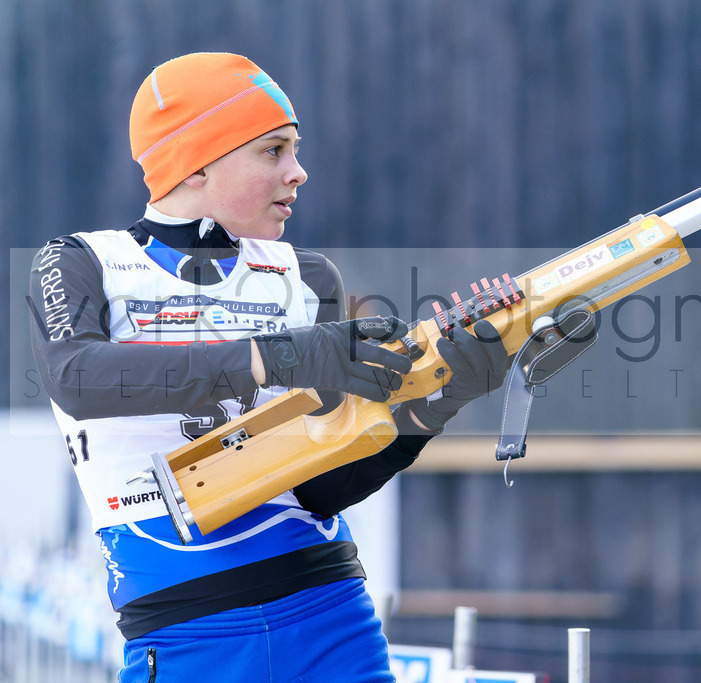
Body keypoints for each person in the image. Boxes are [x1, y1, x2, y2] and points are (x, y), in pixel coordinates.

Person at [29, 52, 508, 682]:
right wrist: (276, 356)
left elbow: (319, 488)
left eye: (295, 149)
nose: (298, 172)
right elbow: (78, 377)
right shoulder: (82, 261)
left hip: (334, 618)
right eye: (272, 151)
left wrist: (432, 407)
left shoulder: (305, 278)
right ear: (196, 161)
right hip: (187, 635)